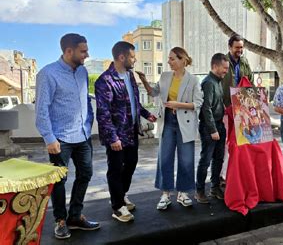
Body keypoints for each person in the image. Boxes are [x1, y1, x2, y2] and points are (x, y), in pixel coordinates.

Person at [35, 33, 100, 239]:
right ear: (68, 51)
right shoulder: (48, 74)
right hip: (60, 139)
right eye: (83, 51)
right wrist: (49, 138)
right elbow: (41, 110)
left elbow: (84, 101)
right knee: (59, 182)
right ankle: (60, 221)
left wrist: (88, 124)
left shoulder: (82, 72)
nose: (87, 55)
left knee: (85, 174)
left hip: (82, 136)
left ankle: (75, 216)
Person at [95, 41, 157, 222]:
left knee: (131, 163)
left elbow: (134, 102)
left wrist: (146, 114)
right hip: (116, 136)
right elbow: (103, 113)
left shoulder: (130, 76)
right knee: (115, 169)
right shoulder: (104, 81)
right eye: (132, 56)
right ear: (121, 57)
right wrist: (113, 138)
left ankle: (121, 195)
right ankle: (117, 206)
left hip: (131, 132)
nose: (135, 59)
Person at [137, 47, 203, 210]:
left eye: (172, 58)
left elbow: (198, 103)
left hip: (185, 122)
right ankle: (165, 194)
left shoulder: (193, 80)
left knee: (186, 159)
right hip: (167, 120)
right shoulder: (165, 76)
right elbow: (153, 93)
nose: (169, 61)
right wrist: (145, 80)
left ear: (182, 60)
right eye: (169, 58)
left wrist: (177, 105)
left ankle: (183, 193)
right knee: (164, 158)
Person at [195, 53, 229, 204]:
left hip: (220, 125)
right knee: (206, 160)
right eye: (224, 68)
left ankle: (215, 188)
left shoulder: (218, 81)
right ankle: (200, 191)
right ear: (215, 66)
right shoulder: (208, 83)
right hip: (210, 128)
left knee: (219, 159)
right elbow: (206, 108)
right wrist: (213, 130)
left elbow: (217, 104)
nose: (226, 71)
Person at [221, 34, 254, 183]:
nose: (240, 50)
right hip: (226, 108)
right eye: (237, 47)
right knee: (226, 143)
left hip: (242, 110)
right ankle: (224, 175)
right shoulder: (223, 61)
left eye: (241, 47)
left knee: (240, 142)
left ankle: (238, 172)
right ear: (230, 47)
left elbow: (250, 83)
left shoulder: (245, 62)